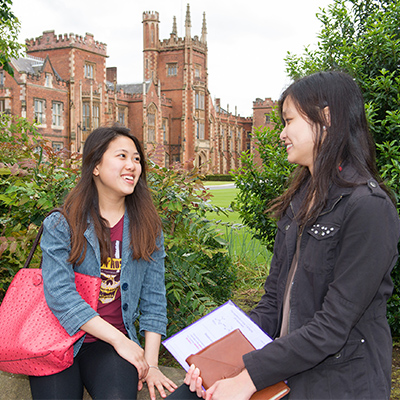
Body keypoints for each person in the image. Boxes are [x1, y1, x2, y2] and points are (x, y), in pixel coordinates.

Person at [169, 71, 400, 399]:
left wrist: (246, 379)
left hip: (338, 381)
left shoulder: (369, 208)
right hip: (286, 368)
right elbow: (273, 303)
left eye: (289, 120)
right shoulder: (300, 200)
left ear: (326, 118)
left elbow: (331, 327)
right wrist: (216, 361)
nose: (282, 134)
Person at [29, 125, 177, 400]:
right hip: (59, 339)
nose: (132, 165)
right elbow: (61, 296)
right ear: (95, 166)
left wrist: (152, 364)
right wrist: (122, 341)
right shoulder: (62, 224)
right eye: (122, 156)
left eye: (136, 159)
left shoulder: (147, 227)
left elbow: (154, 300)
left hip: (109, 348)